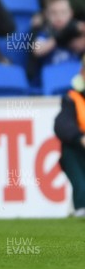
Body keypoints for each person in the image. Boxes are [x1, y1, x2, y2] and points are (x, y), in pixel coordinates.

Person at [54, 55, 85, 218]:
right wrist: (80, 137)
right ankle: (81, 204)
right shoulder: (72, 98)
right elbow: (61, 125)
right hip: (78, 150)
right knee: (70, 149)